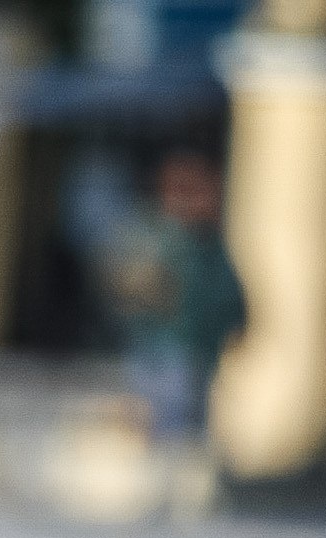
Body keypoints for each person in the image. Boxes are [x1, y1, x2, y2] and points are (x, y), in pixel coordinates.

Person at [105, 149, 245, 517]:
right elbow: (127, 286)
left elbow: (227, 300)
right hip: (154, 344)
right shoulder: (154, 233)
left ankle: (181, 496)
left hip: (187, 348)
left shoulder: (206, 246)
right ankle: (156, 492)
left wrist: (231, 329)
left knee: (182, 422)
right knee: (155, 420)